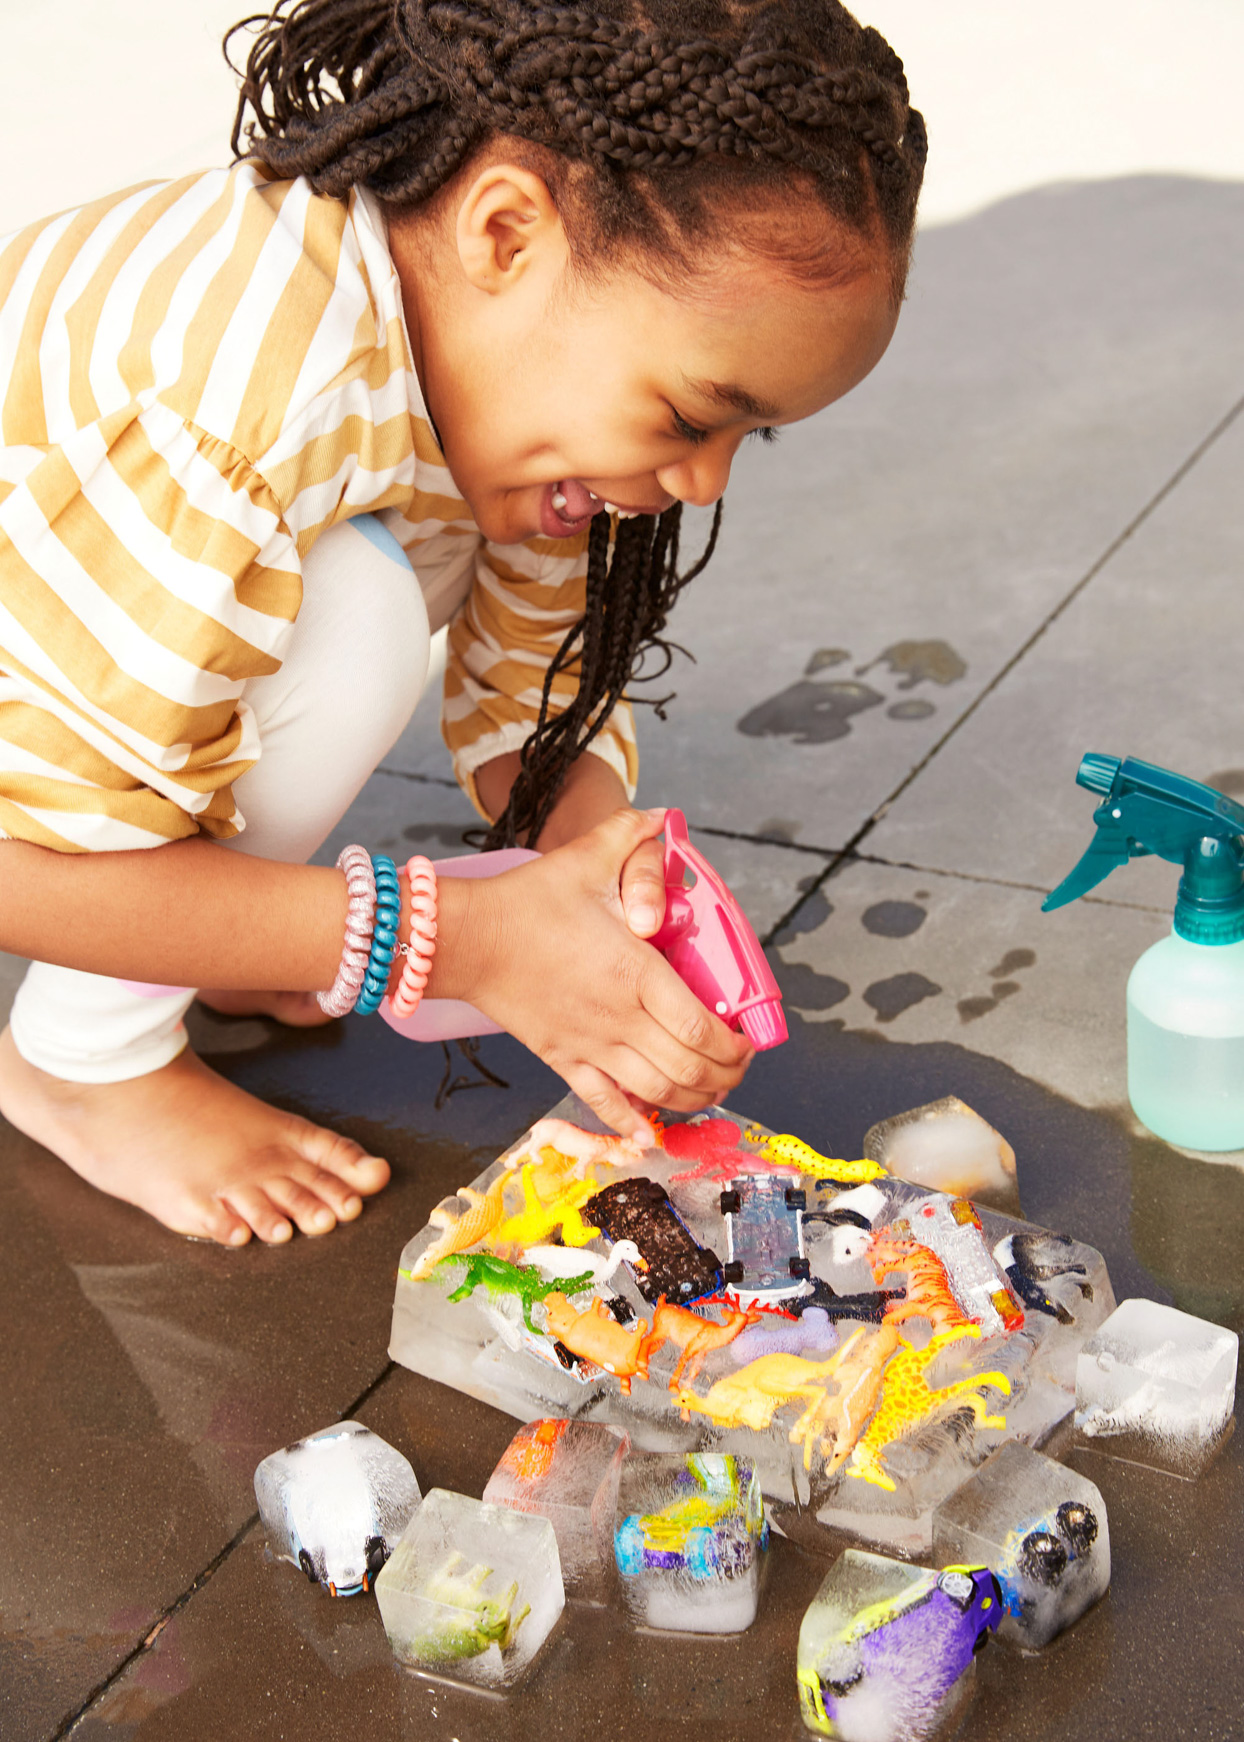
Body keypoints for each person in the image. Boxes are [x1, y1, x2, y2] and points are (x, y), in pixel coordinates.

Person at [0, 0, 925, 1247]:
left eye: (742, 436)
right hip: (41, 736)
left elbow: (530, 682)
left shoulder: (485, 349)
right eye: (692, 413)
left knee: (368, 584)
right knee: (362, 613)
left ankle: (221, 922)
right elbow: (25, 871)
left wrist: (600, 887)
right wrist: (455, 940)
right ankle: (82, 1058)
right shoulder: (231, 418)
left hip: (92, 646)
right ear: (505, 232)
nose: (704, 482)